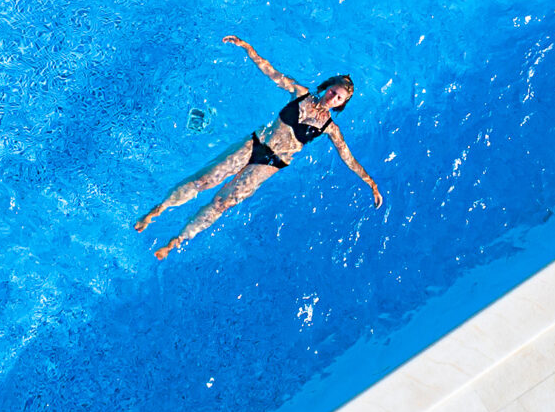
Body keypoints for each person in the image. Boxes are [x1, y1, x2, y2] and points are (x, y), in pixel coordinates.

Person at [134, 35, 382, 259]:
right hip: (256, 143)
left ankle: (176, 240)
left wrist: (370, 183)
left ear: (341, 104)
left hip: (271, 164)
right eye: (333, 91)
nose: (333, 97)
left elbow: (348, 158)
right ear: (327, 87)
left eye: (339, 98)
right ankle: (159, 209)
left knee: (223, 203)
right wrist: (247, 47)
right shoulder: (301, 93)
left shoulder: (330, 127)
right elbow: (271, 72)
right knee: (205, 180)